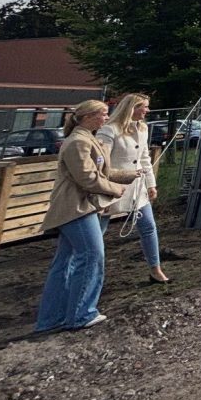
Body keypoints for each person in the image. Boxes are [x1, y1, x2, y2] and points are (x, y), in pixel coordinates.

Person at [35, 100, 140, 332]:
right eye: (103, 114)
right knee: (91, 255)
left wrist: (129, 175)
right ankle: (81, 314)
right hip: (76, 209)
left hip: (80, 208)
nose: (106, 118)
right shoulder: (78, 142)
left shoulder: (87, 140)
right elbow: (87, 178)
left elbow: (101, 171)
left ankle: (51, 319)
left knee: (66, 262)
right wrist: (115, 189)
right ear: (88, 116)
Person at [97, 93, 171, 284]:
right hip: (112, 188)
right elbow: (100, 165)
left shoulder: (143, 129)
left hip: (137, 190)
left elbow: (144, 158)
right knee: (98, 233)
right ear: (132, 108)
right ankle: (85, 269)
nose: (147, 110)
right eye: (144, 106)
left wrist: (151, 183)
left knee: (148, 227)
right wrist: (102, 189)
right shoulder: (109, 130)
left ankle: (155, 269)